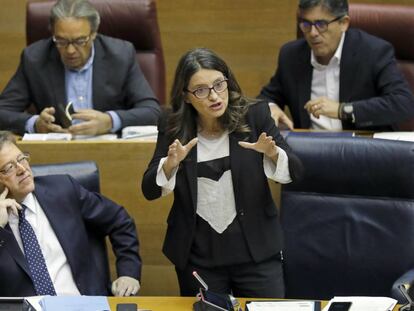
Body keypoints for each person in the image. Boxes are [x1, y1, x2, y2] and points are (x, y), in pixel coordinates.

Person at [142, 48, 302, 298]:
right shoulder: (172, 125)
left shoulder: (255, 115)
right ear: (186, 97)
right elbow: (149, 190)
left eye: (219, 84)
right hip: (198, 257)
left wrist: (272, 154)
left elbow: (296, 171)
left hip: (256, 253)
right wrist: (170, 164)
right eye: (201, 90)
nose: (214, 96)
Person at [0, 131, 141, 297]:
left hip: (84, 305)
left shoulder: (63, 190)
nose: (22, 169)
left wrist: (128, 273)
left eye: (22, 158)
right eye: (9, 168)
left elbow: (119, 220)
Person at [0, 0, 160, 136]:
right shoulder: (34, 58)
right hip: (57, 151)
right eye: (61, 41)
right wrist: (35, 124)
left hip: (110, 150)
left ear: (94, 33)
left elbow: (151, 111)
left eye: (79, 41)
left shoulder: (121, 55)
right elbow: (3, 112)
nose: (70, 50)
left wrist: (109, 121)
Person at [259, 0, 414, 131]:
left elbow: (403, 103)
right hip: (310, 152)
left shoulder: (373, 52)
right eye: (306, 24)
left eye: (321, 24)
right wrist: (271, 107)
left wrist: (343, 110)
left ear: (343, 23)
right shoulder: (291, 55)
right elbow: (266, 97)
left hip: (364, 151)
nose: (312, 33)